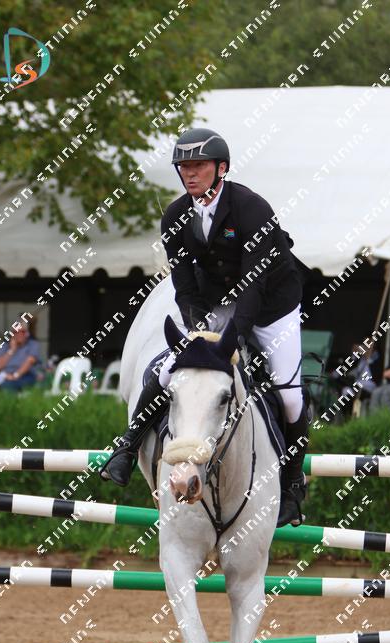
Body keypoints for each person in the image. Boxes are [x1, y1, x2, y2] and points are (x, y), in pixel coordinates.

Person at [100, 128, 311, 528]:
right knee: (171, 369)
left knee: (289, 395)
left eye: (198, 165)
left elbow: (254, 286)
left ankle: (292, 485)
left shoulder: (251, 209)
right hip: (217, 301)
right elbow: (184, 285)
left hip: (272, 304)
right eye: (184, 167)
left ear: (221, 168)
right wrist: (199, 331)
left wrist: (232, 339)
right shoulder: (175, 216)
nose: (190, 173)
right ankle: (127, 447)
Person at [0, 320, 41, 394]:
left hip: (25, 374)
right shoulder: (5, 345)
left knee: (7, 386)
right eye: (16, 332)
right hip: (4, 375)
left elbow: (30, 361)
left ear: (27, 334)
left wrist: (15, 375)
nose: (19, 334)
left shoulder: (32, 344)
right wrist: (11, 350)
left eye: (22, 332)